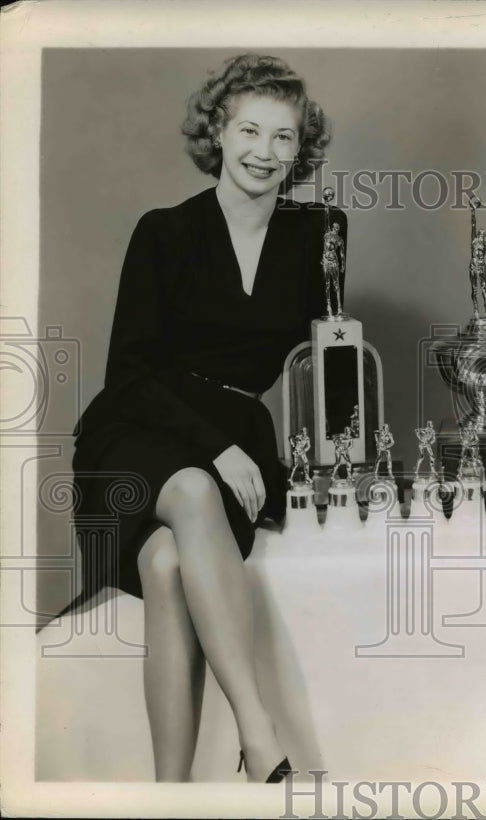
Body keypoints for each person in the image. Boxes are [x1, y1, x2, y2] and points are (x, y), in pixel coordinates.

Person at [61, 54, 345, 782]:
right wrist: (216, 448)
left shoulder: (321, 231)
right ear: (217, 132)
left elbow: (329, 354)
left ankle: (170, 794)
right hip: (137, 431)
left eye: (284, 137)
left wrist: (332, 447)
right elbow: (130, 374)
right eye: (249, 130)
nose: (265, 152)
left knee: (166, 566)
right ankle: (260, 733)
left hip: (237, 437)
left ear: (301, 148)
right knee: (188, 489)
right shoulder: (164, 231)